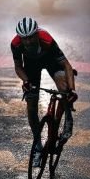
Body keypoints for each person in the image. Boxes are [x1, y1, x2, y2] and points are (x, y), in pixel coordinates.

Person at [11, 17, 78, 166]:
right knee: (31, 104)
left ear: (36, 34)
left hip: (51, 61)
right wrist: (26, 82)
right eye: (24, 39)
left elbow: (66, 65)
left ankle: (68, 117)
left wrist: (72, 90)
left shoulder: (46, 39)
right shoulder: (15, 44)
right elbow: (18, 66)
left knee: (63, 85)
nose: (28, 42)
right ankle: (37, 145)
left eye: (31, 38)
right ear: (20, 38)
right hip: (31, 66)